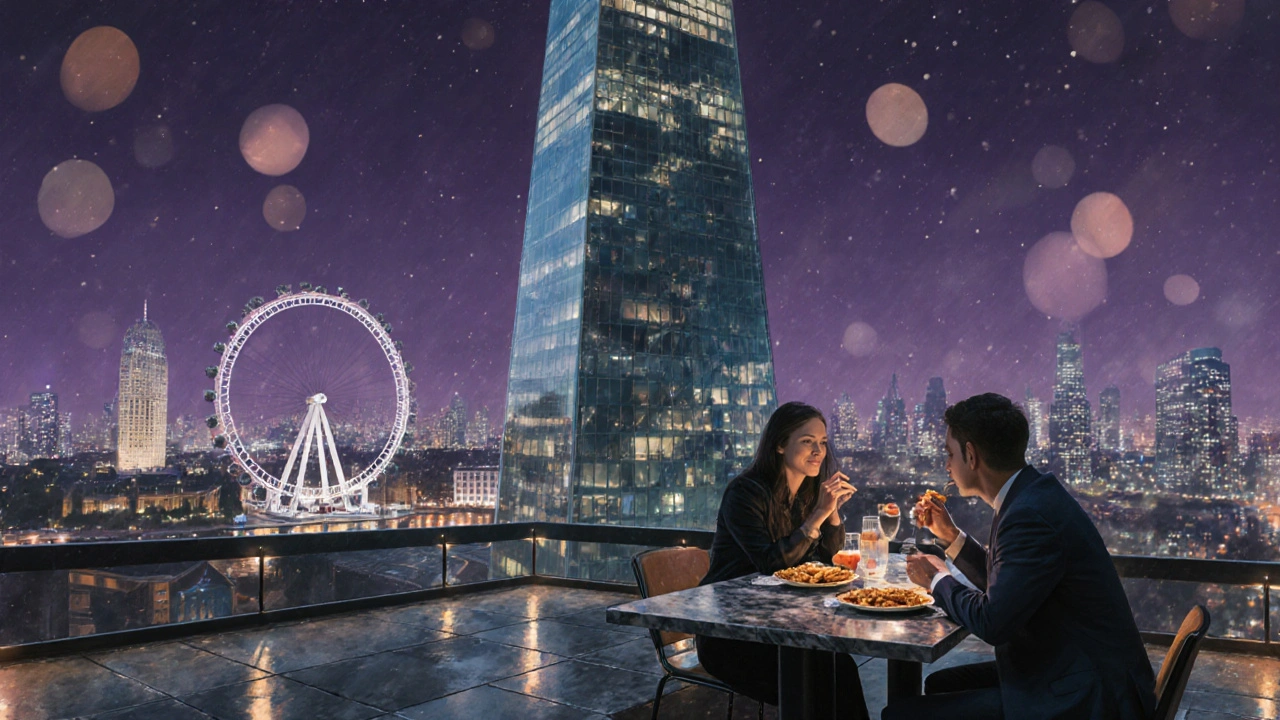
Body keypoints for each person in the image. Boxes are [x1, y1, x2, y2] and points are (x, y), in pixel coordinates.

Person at [885, 393, 1156, 720]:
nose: (946, 465)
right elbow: (1011, 587)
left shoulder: (1027, 515)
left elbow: (993, 622)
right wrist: (951, 536)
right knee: (943, 683)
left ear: (971, 455)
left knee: (900, 715)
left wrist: (936, 578)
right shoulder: (1031, 496)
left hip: (1089, 698)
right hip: (1073, 668)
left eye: (949, 453)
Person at [696, 401, 868, 717]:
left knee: (836, 665)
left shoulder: (806, 495)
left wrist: (831, 515)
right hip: (732, 633)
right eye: (807, 442)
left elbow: (830, 562)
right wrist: (818, 513)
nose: (818, 451)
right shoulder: (745, 493)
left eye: (823, 443)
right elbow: (771, 563)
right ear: (779, 445)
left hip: (781, 623)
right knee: (824, 676)